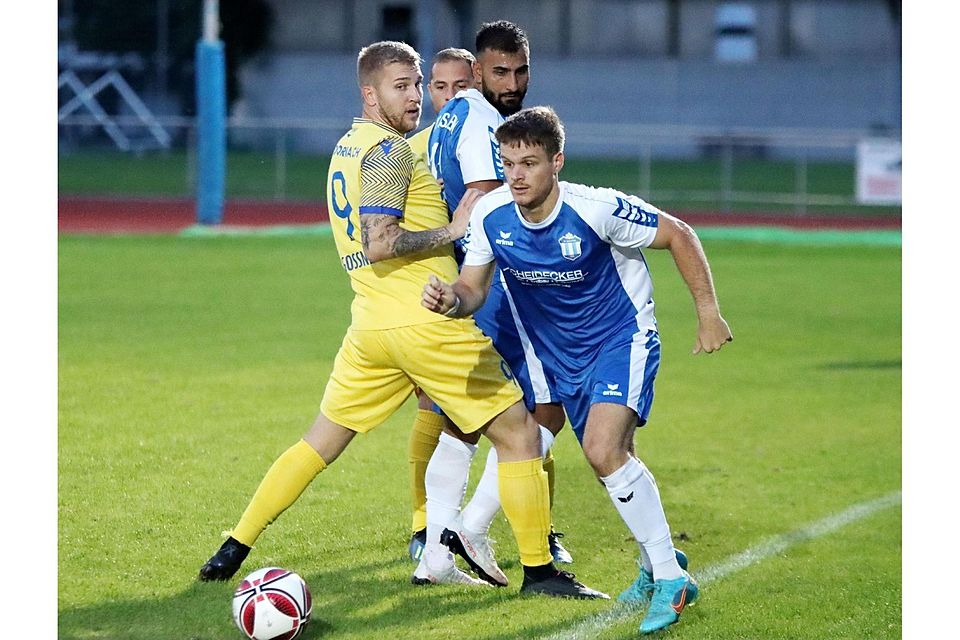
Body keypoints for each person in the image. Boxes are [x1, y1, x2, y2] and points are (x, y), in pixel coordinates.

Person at [197, 41, 606, 601]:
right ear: (370, 93)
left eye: (418, 84)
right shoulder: (387, 152)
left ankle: (234, 545)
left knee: (319, 442)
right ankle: (539, 571)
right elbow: (382, 243)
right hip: (424, 320)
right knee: (520, 435)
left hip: (369, 326)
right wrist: (455, 229)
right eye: (401, 86)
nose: (415, 96)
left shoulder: (347, 147)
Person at [422, 106, 733, 634]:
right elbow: (473, 288)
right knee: (615, 459)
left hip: (620, 339)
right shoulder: (491, 214)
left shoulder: (596, 208)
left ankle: (670, 578)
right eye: (509, 162)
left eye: (530, 163)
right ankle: (655, 565)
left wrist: (708, 312)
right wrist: (451, 299)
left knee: (603, 451)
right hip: (554, 356)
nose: (517, 175)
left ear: (556, 162)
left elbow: (679, 232)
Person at [416, 20, 573, 586]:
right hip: (501, 286)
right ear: (477, 71)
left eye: (521, 70)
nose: (512, 82)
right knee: (549, 406)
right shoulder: (482, 121)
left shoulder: (450, 116)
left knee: (463, 421)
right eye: (500, 71)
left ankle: (435, 552)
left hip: (469, 281)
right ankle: (474, 526)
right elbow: (486, 199)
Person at [401, 47, 478, 563]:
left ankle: (545, 528)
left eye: (459, 87)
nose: (447, 96)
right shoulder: (416, 146)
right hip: (439, 287)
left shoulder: (489, 136)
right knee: (433, 405)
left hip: (496, 282)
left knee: (534, 409)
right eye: (439, 86)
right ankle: (423, 523)